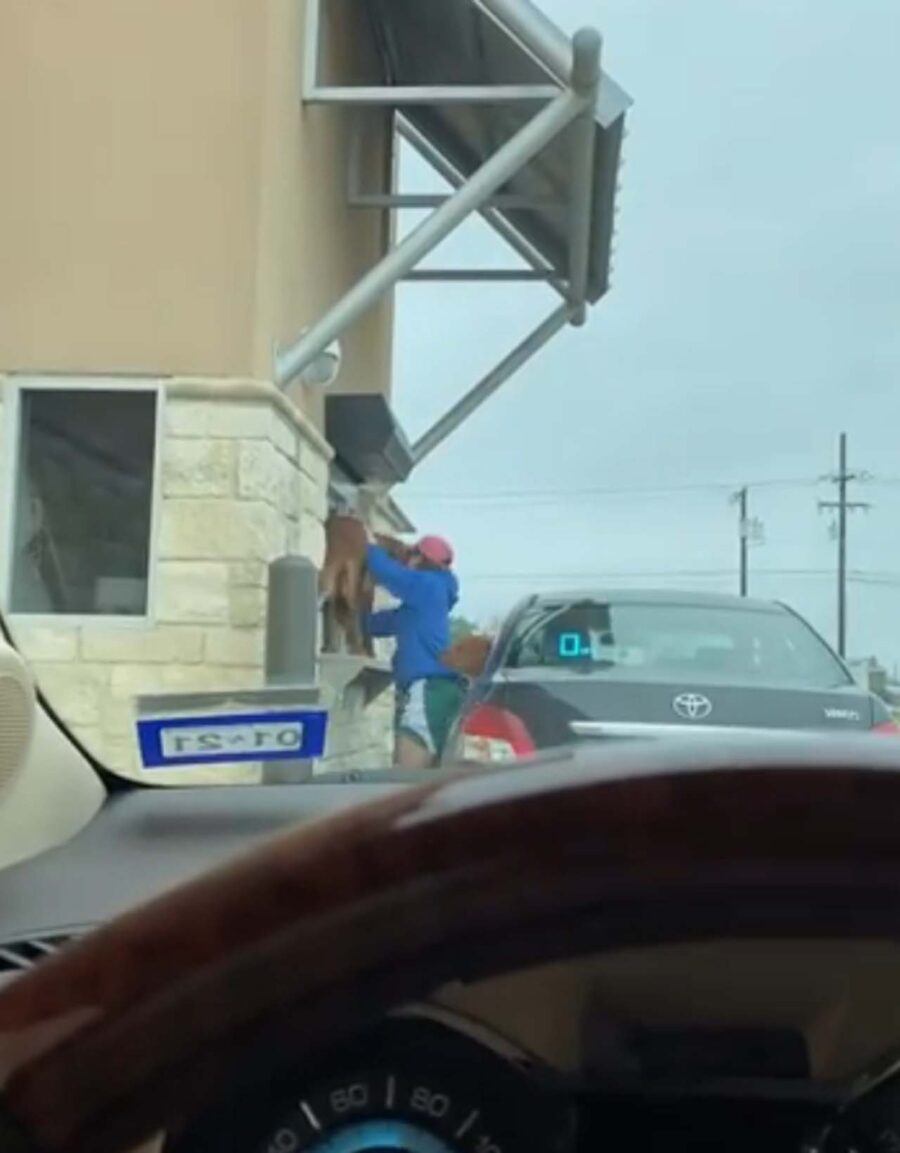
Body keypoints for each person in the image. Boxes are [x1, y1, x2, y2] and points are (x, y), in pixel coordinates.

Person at [363, 532, 465, 769]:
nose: (405, 559)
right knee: (428, 778)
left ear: (420, 559)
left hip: (426, 689)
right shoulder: (420, 606)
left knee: (407, 777)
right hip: (433, 691)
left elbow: (386, 571)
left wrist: (364, 540)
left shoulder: (428, 584)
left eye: (411, 553)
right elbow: (375, 625)